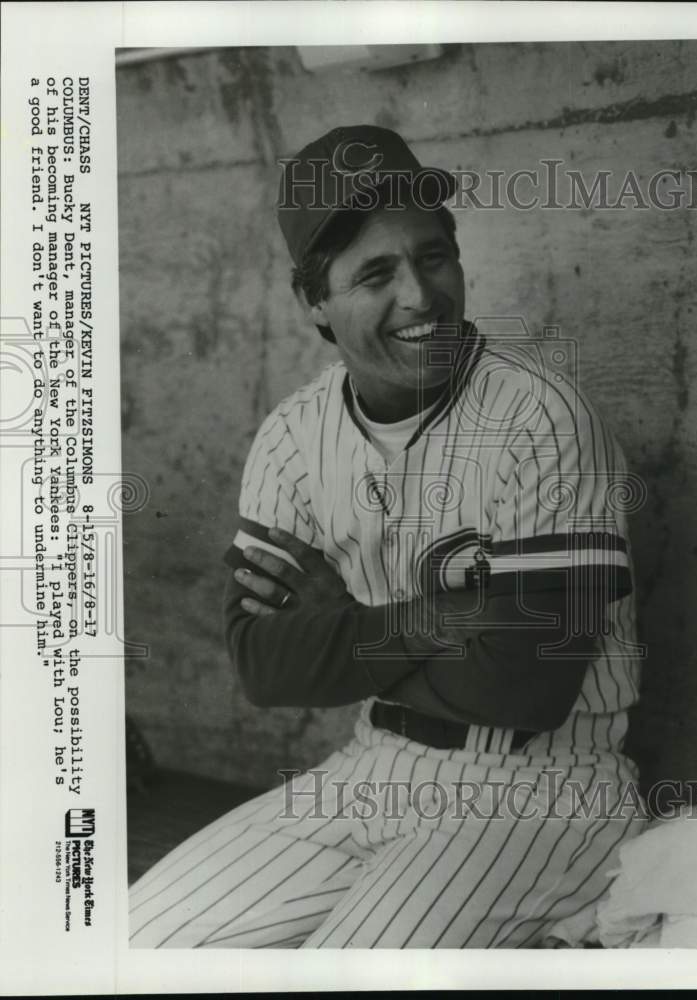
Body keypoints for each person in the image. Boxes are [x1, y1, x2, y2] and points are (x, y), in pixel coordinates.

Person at [129, 125, 646, 949]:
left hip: (541, 786)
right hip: (370, 766)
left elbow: (526, 689)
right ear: (316, 304)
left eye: (432, 257)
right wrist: (449, 618)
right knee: (134, 947)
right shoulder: (293, 434)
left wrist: (345, 629)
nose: (418, 295)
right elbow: (264, 665)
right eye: (374, 275)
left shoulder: (539, 417)